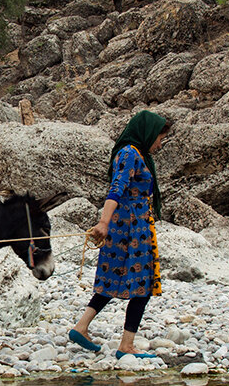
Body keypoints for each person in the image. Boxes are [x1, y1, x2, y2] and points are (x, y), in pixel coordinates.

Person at [69, 110, 171, 359]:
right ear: (147, 133)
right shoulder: (129, 154)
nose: (160, 142)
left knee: (113, 280)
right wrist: (103, 222)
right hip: (129, 231)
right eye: (159, 137)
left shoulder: (139, 155)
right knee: (142, 287)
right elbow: (116, 188)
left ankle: (81, 327)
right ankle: (126, 346)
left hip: (135, 228)